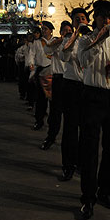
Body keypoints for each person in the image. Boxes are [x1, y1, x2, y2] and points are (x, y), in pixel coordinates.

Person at [76, 0, 110, 220]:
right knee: (89, 149)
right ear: (96, 19)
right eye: (103, 17)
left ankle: (105, 191)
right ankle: (88, 197)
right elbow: (83, 61)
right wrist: (100, 40)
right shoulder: (85, 40)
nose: (107, 21)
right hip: (91, 95)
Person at [59, 6, 91, 181]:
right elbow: (64, 57)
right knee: (70, 128)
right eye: (77, 19)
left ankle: (81, 163)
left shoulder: (93, 37)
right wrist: (74, 35)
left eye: (83, 18)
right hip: (71, 85)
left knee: (86, 129)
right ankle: (68, 165)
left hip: (87, 86)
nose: (80, 21)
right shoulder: (68, 39)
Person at [40, 20, 72, 150]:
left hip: (71, 80)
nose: (67, 33)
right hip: (58, 79)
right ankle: (50, 137)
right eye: (65, 30)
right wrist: (60, 40)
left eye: (69, 31)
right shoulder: (56, 43)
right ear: (60, 32)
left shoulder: (76, 43)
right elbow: (47, 49)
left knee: (70, 114)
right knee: (55, 111)